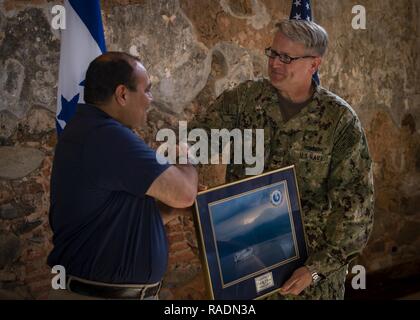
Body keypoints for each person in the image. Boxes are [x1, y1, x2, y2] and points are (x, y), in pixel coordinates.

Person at [193, 19, 374, 299]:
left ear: (314, 64)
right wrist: (182, 172)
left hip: (308, 280)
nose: (275, 63)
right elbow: (198, 140)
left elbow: (356, 212)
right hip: (247, 266)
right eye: (273, 53)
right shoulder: (246, 100)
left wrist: (314, 270)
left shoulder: (339, 121)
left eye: (286, 58)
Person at [47, 52, 198, 300]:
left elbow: (118, 220)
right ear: (123, 94)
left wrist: (174, 211)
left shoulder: (93, 131)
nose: (150, 100)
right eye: (146, 90)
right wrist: (186, 156)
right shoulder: (105, 137)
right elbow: (184, 193)